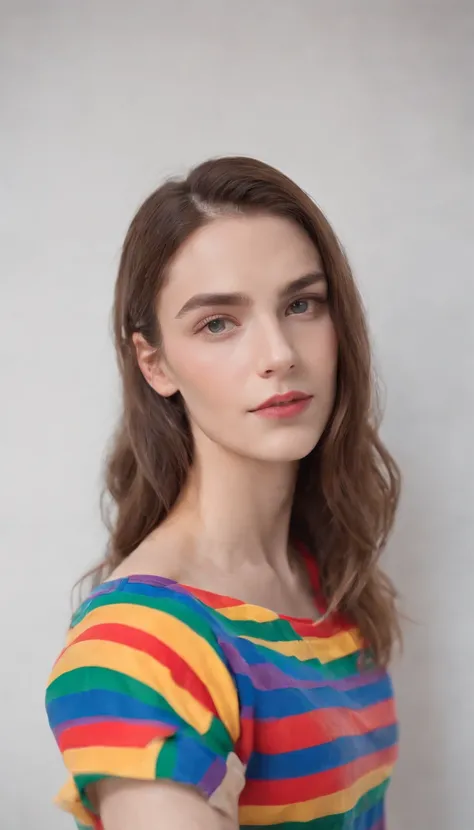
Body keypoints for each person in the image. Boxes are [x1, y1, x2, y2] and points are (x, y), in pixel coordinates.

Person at [45, 156, 401, 830]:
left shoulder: (321, 575)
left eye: (302, 304)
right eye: (218, 323)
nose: (279, 353)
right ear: (156, 364)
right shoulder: (140, 648)